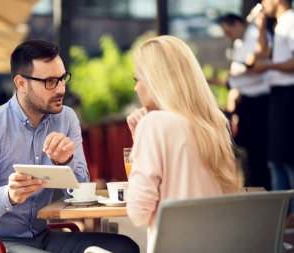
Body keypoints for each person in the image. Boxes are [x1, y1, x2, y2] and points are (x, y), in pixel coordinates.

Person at [0, 40, 139, 253]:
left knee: (125, 248)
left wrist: (67, 162)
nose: (61, 89)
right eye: (50, 81)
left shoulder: (66, 118)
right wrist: (8, 195)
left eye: (63, 78)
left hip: (41, 238)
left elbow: (82, 191)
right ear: (21, 84)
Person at [125, 35, 240, 252]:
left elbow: (138, 212)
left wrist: (140, 140)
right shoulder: (214, 123)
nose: (136, 88)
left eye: (137, 79)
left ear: (154, 80)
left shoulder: (152, 124)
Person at [249, 0, 294, 217]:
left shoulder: (291, 21)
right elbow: (260, 55)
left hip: (288, 95)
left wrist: (267, 66)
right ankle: (282, 217)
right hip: (277, 97)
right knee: (275, 159)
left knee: (287, 159)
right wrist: (260, 26)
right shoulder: (278, 25)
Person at [218, 13, 271, 190]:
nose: (228, 36)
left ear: (238, 24)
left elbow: (254, 70)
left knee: (259, 152)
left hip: (261, 102)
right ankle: (253, 188)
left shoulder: (258, 36)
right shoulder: (239, 44)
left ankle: (263, 191)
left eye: (228, 31)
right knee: (247, 152)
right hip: (246, 102)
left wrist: (232, 82)